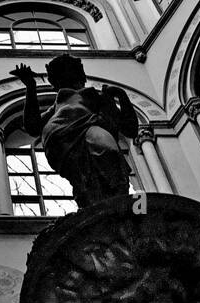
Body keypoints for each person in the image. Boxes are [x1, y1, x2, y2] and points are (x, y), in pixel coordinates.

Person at [9, 54, 138, 208]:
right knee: (102, 158)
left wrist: (121, 95)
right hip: (59, 137)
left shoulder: (99, 96)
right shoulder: (58, 103)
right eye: (57, 78)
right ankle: (110, 201)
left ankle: (107, 201)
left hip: (87, 129)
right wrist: (30, 87)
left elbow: (130, 129)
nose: (58, 82)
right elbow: (33, 126)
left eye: (60, 76)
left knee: (104, 158)